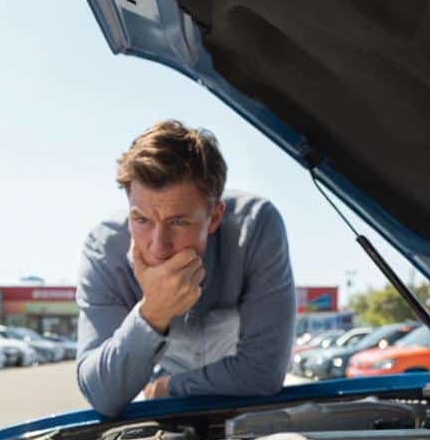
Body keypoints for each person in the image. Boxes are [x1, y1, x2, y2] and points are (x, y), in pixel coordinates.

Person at [76, 120, 295, 417]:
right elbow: (101, 394)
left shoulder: (255, 227)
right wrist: (152, 313)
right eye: (141, 220)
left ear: (215, 217)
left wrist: (170, 387)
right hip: (160, 417)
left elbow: (262, 373)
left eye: (178, 222)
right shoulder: (104, 250)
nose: (157, 246)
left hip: (240, 411)